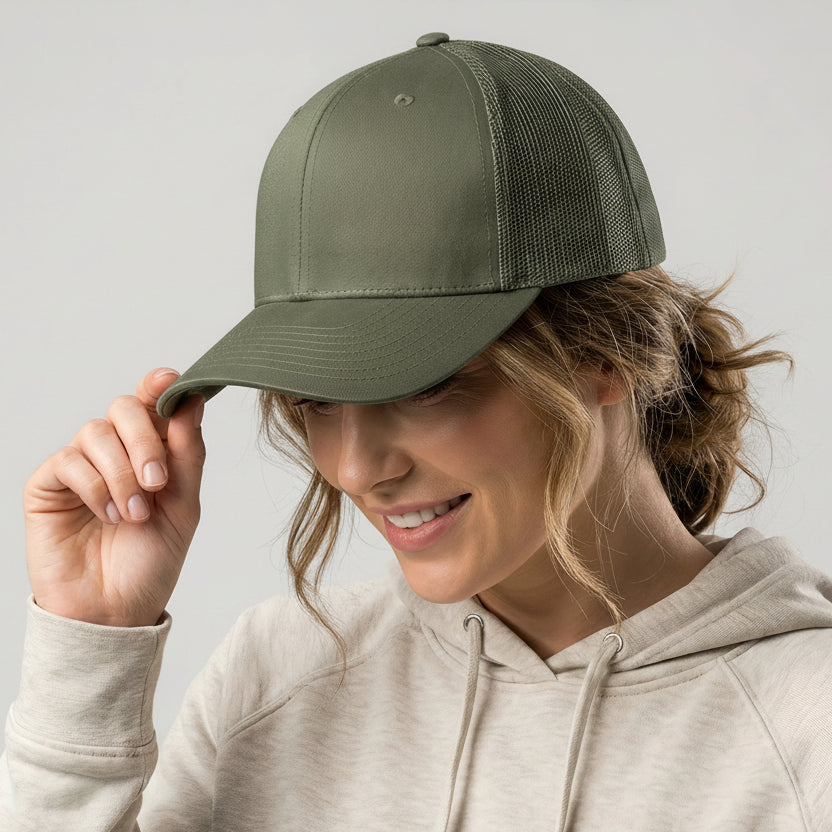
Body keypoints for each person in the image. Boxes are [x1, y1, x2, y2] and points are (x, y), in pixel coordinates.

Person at [2, 31, 831, 832]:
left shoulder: (808, 726)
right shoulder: (281, 675)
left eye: (426, 384)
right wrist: (93, 641)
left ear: (608, 352)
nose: (355, 468)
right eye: (316, 401)